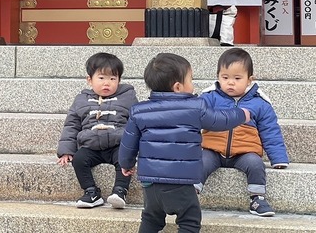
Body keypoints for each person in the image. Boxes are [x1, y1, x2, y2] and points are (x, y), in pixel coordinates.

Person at [118, 53, 250, 233]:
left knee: (151, 218)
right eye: (191, 79)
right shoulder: (195, 107)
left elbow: (128, 143)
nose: (193, 84)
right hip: (180, 181)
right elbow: (219, 120)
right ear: (178, 87)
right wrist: (242, 114)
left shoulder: (139, 111)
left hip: (150, 182)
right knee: (189, 220)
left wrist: (125, 164)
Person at [197, 48, 289, 217]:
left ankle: (257, 198)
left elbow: (270, 131)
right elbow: (194, 121)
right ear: (218, 76)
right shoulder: (209, 98)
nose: (230, 83)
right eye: (225, 78)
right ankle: (190, 195)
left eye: (237, 78)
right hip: (212, 149)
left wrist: (278, 158)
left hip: (244, 152)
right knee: (200, 162)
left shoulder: (260, 103)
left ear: (249, 80)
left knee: (255, 164)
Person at [57, 52, 137, 209]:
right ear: (89, 79)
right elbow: (72, 125)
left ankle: (120, 191)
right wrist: (66, 151)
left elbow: (136, 123)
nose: (107, 83)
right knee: (79, 160)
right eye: (101, 78)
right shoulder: (81, 100)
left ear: (119, 80)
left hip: (117, 143)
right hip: (91, 144)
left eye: (112, 79)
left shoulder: (128, 97)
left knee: (125, 158)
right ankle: (91, 192)